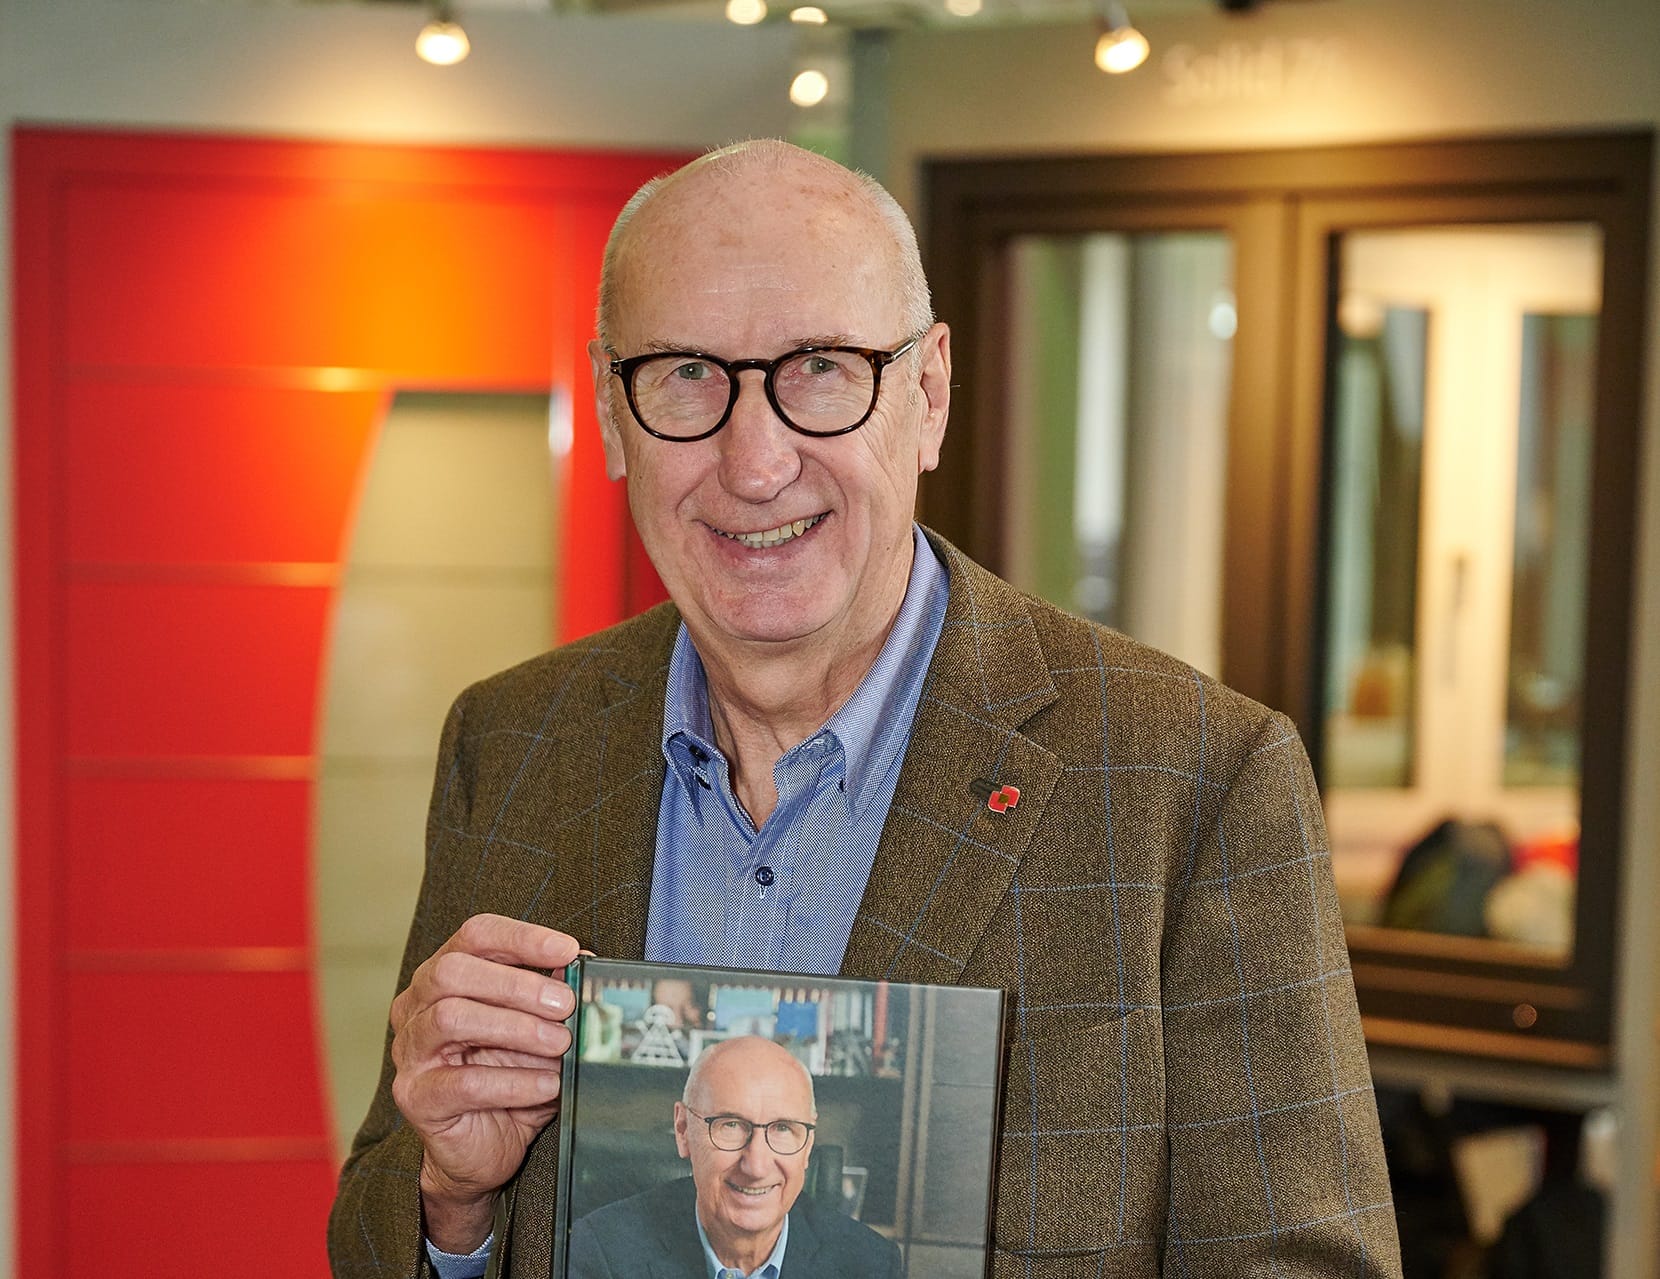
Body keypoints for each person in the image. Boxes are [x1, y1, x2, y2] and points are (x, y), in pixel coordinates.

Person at [328, 138, 1403, 1279]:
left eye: (823, 368)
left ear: (927, 394)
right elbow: (375, 1228)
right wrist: (452, 1201)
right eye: (686, 373)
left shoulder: (1188, 777)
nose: (754, 461)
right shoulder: (513, 744)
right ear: (609, 408)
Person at [565, 1036, 902, 1278]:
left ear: (809, 1144)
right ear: (682, 1131)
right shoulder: (600, 1253)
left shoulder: (869, 1265)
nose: (755, 1166)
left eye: (783, 1128)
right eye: (730, 1125)